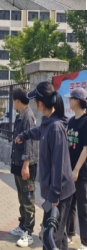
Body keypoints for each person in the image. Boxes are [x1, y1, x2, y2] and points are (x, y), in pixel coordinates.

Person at [15, 81, 76, 250]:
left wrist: (55, 195)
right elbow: (38, 131)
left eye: (35, 100)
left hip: (59, 194)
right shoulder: (47, 123)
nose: (34, 103)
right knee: (58, 234)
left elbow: (58, 164)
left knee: (51, 237)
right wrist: (24, 135)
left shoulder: (55, 128)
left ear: (40, 103)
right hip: (52, 194)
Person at [9, 87, 39, 248]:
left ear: (17, 100)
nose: (13, 103)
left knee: (28, 199)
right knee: (22, 197)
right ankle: (22, 226)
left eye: (13, 100)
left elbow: (30, 142)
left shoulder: (28, 116)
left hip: (26, 165)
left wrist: (26, 164)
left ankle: (29, 232)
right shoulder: (20, 115)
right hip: (18, 163)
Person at [65, 87, 87, 250]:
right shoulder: (71, 121)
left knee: (83, 207)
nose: (69, 101)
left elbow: (86, 148)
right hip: (69, 170)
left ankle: (85, 242)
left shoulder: (86, 121)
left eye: (71, 98)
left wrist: (77, 169)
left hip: (81, 172)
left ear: (77, 101)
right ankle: (69, 234)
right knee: (70, 204)